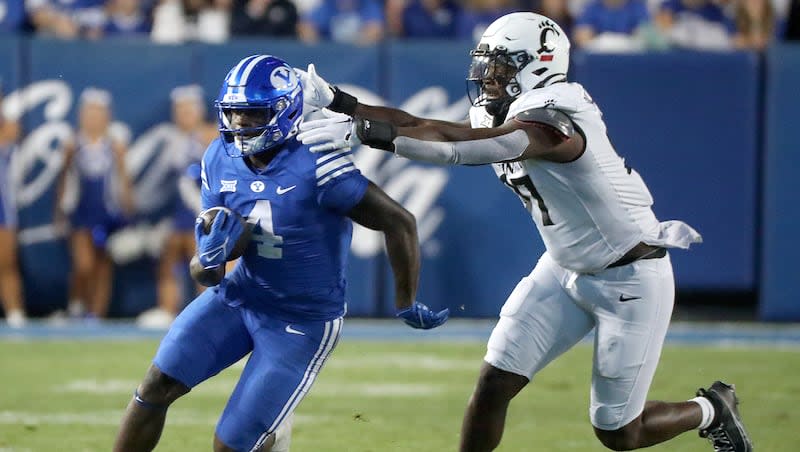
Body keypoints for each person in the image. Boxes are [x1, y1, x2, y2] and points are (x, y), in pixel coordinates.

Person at [295, 12, 753, 452]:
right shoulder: (506, 109)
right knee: (494, 381)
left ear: (538, 64)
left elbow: (467, 150)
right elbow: (423, 124)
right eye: (486, 65)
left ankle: (712, 409)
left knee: (619, 433)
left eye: (499, 66)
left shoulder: (556, 117)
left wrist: (368, 134)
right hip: (563, 268)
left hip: (628, 276)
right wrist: (339, 100)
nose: (487, 77)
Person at [112, 54, 449, 452]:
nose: (239, 126)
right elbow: (207, 274)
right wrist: (209, 257)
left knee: (231, 445)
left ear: (284, 112)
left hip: (301, 322)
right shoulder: (218, 158)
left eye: (252, 116)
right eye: (234, 115)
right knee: (155, 385)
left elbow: (400, 221)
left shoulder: (317, 162)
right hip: (240, 297)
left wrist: (405, 300)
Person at [139, 84, 217, 328]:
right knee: (170, 257)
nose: (182, 114)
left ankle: (209, 312)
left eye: (187, 109)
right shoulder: (172, 139)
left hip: (205, 209)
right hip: (179, 213)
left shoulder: (210, 135)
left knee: (203, 263)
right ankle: (167, 308)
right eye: (179, 110)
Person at [54, 87, 135, 320]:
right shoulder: (72, 144)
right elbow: (64, 180)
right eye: (90, 112)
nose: (94, 118)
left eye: (98, 113)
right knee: (84, 265)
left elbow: (123, 179)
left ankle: (95, 314)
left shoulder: (115, 145)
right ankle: (76, 303)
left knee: (102, 264)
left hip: (108, 212)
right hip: (81, 211)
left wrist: (129, 209)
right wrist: (59, 211)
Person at [0, 85, 27, 328]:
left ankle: (15, 313)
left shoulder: (8, 127)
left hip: (2, 204)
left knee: (6, 262)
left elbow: (10, 133)